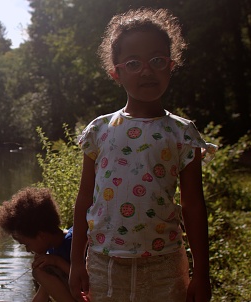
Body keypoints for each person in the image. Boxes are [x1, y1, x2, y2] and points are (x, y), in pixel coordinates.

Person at [69, 8, 216, 302]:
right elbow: (85, 198)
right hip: (104, 264)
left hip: (165, 266)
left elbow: (194, 205)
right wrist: (75, 262)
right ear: (116, 72)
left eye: (157, 60)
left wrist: (202, 273)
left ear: (171, 65)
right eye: (134, 63)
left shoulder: (182, 133)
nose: (146, 71)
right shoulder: (99, 129)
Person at [0, 187, 76, 302]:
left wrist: (57, 262)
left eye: (27, 244)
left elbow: (89, 281)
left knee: (39, 272)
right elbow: (42, 296)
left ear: (41, 236)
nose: (28, 250)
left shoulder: (75, 241)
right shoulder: (52, 252)